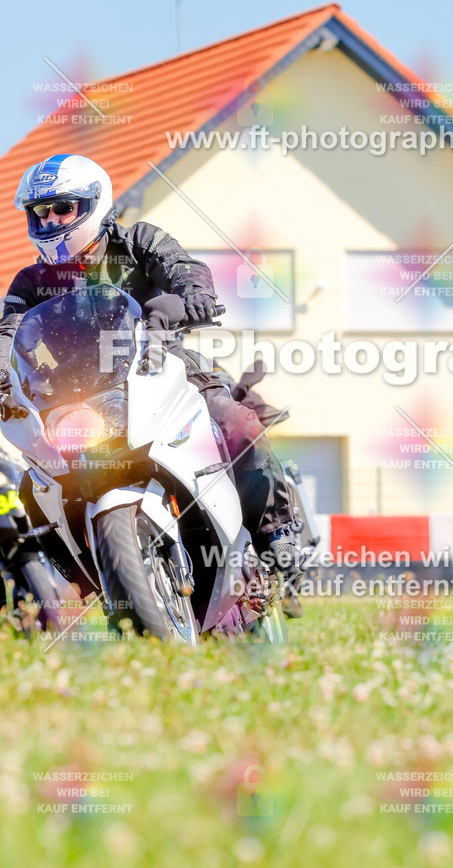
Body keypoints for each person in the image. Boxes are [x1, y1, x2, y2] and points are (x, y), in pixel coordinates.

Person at [0, 153, 303, 616]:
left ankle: (276, 539)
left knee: (236, 422)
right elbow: (9, 332)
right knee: (33, 486)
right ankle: (101, 581)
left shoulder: (139, 241)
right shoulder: (31, 281)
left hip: (159, 365)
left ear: (94, 206)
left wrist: (192, 298)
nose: (51, 220)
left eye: (63, 208)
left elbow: (186, 271)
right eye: (41, 212)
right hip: (76, 398)